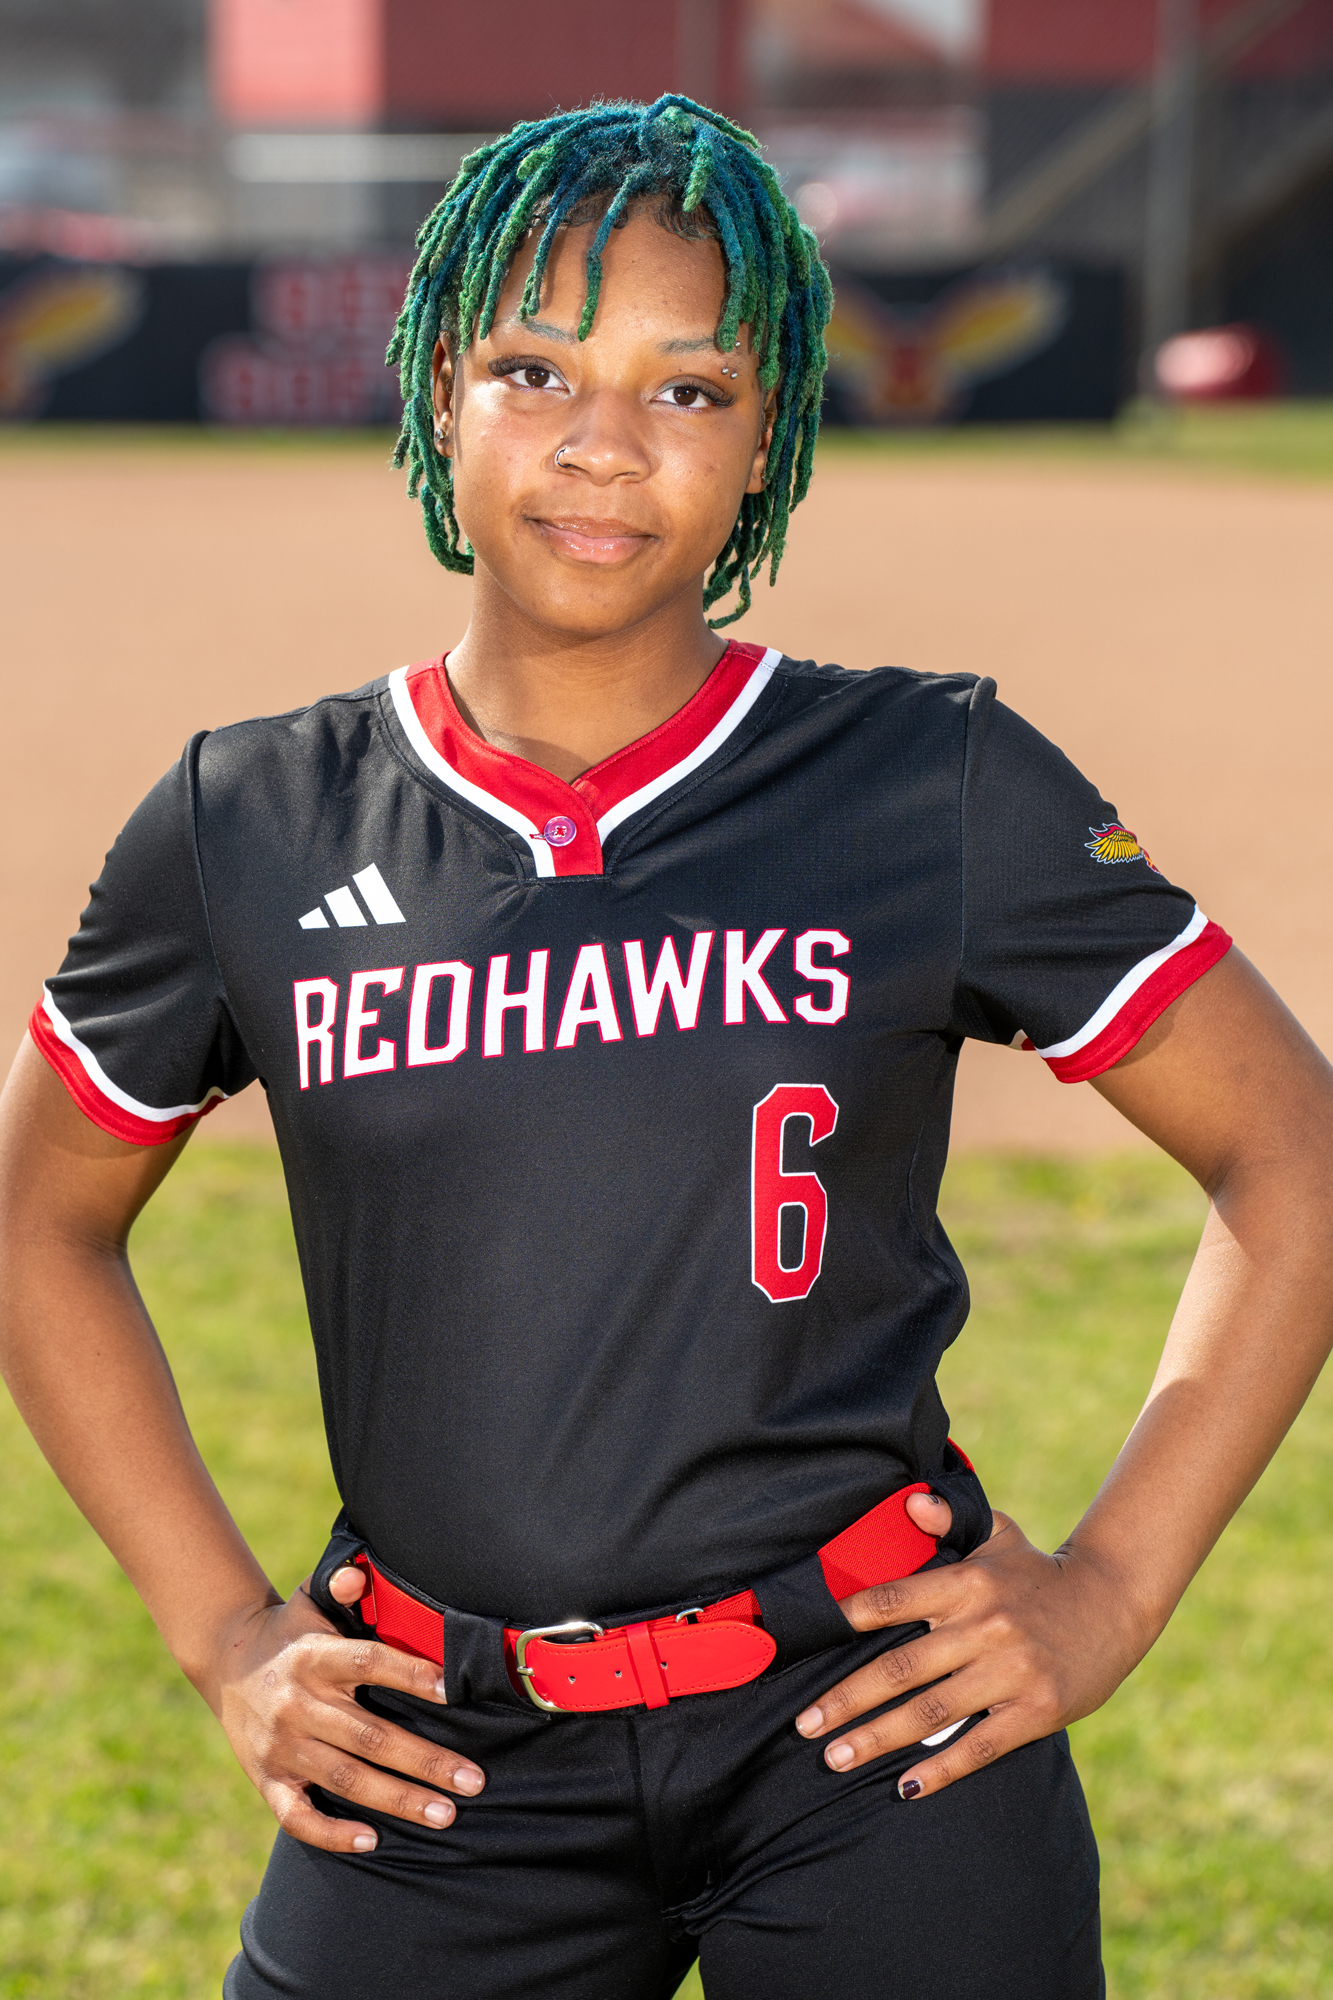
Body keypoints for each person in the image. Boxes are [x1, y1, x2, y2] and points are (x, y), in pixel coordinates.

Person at [2, 96, 1331, 2000]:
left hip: (871, 1731)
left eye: (688, 389)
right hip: (441, 1750)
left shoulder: (931, 781)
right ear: (437, 388)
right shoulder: (249, 822)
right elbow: (37, 1219)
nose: (601, 445)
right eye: (534, 368)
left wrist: (1111, 1589)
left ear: (768, 435)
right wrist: (224, 1633)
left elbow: (1294, 1151)